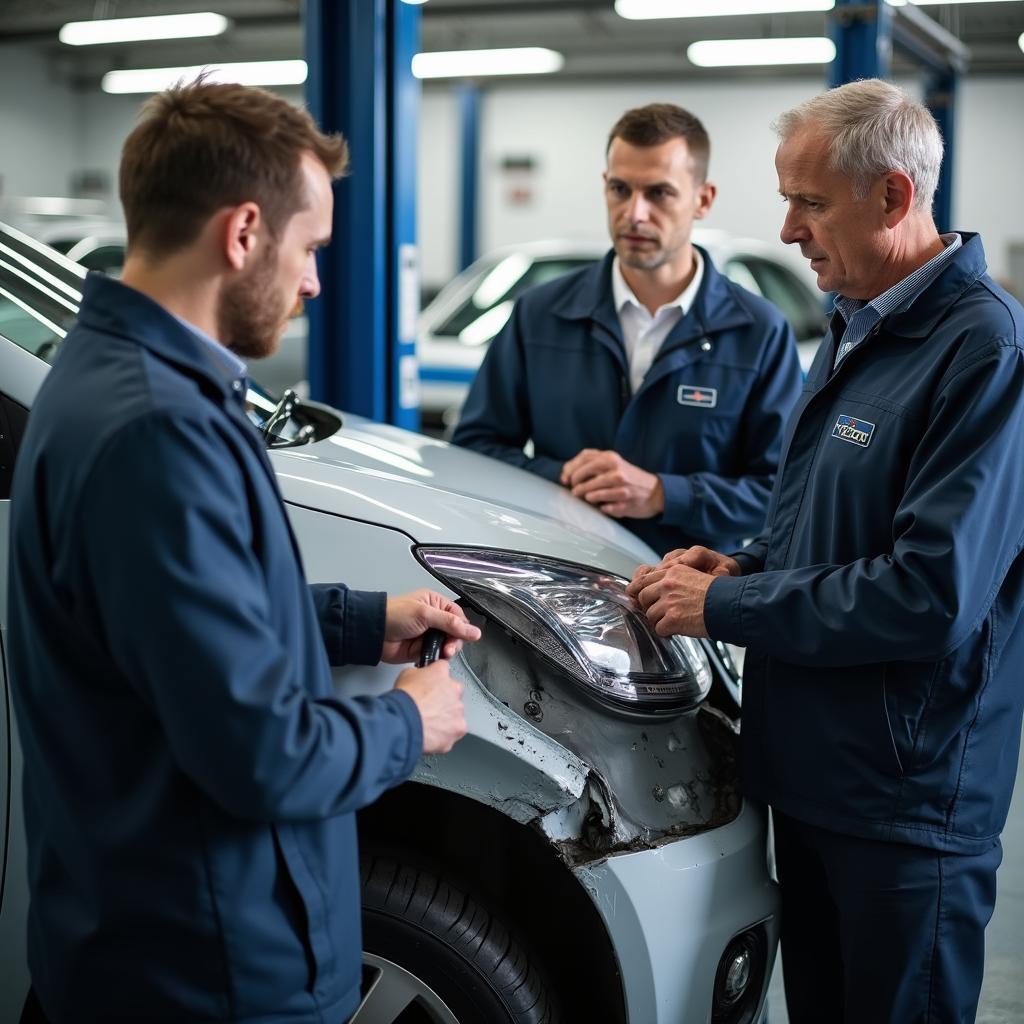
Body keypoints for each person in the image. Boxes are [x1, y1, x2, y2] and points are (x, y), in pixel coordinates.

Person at [7, 79, 479, 1024]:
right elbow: (261, 756)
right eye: (309, 251)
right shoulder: (156, 433)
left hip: (157, 937)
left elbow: (165, 629)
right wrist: (409, 721)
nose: (312, 283)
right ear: (244, 232)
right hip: (202, 968)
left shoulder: (118, 380)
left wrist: (357, 618)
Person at [628, 79, 1024, 1023]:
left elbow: (932, 592)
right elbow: (825, 522)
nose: (790, 229)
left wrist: (725, 610)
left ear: (892, 197)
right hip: (810, 773)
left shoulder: (983, 349)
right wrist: (748, 564)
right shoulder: (854, 323)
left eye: (810, 202)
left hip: (902, 802)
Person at [453, 102, 802, 556]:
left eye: (659, 193)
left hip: (686, 596)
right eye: (621, 189)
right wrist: (562, 479)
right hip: (557, 580)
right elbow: (476, 449)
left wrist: (662, 494)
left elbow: (782, 494)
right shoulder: (539, 315)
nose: (634, 214)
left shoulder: (758, 333)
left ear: (703, 199)